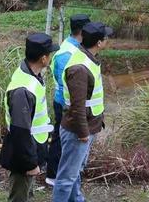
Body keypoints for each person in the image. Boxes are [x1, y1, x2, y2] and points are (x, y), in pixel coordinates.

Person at [52, 21, 113, 202]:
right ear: (99, 43)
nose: (108, 40)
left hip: (85, 127)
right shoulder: (79, 67)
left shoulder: (87, 58)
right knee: (66, 178)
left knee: (75, 172)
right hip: (77, 131)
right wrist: (83, 133)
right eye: (106, 38)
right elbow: (77, 107)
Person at [0, 33, 59, 202]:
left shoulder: (31, 76)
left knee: (26, 192)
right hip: (24, 154)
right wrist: (30, 163)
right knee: (19, 196)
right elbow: (20, 132)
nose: (50, 57)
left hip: (31, 147)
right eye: (49, 54)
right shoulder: (23, 91)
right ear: (43, 58)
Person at [46, 14, 91, 186]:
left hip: (66, 101)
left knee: (61, 136)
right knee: (61, 137)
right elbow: (66, 81)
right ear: (82, 31)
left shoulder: (71, 46)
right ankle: (53, 175)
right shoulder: (67, 53)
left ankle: (60, 173)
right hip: (64, 102)